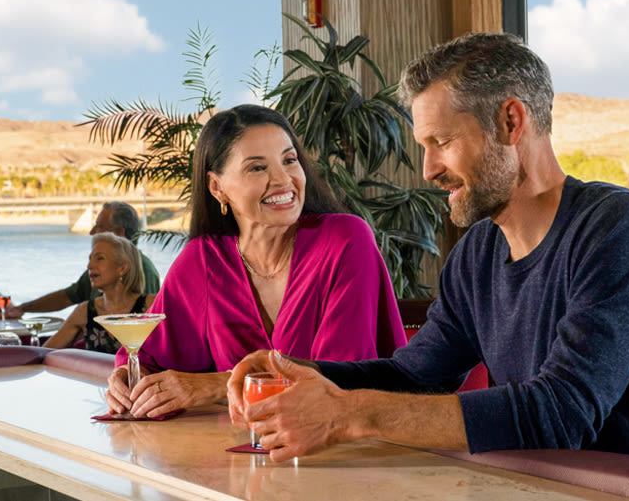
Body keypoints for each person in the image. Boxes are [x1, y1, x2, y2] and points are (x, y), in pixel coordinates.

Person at [224, 34, 629, 474]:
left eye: (443, 141)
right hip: (557, 485)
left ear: (510, 123)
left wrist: (346, 414)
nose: (427, 170)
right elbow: (415, 377)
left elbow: (563, 413)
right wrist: (296, 375)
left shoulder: (621, 229)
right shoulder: (477, 253)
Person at [105, 104, 407, 419]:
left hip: (345, 454)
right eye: (257, 168)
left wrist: (217, 385)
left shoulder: (346, 241)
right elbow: (148, 356)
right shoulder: (203, 261)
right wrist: (127, 376)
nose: (283, 180)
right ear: (217, 187)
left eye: (290, 160)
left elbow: (338, 381)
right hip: (236, 457)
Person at [7, 202, 160, 318]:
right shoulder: (100, 271)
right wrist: (22, 309)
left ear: (119, 233)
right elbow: (66, 297)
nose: (91, 232)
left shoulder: (144, 270)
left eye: (99, 227)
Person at [43, 233, 148, 352]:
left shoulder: (151, 306)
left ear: (122, 268)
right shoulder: (84, 311)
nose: (89, 265)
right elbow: (44, 353)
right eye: (90, 259)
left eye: (100, 258)